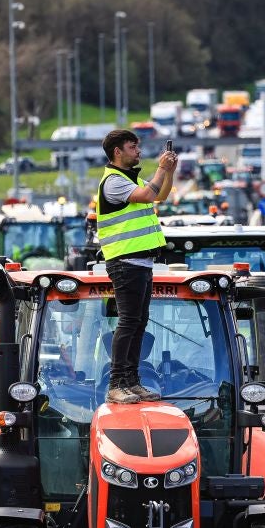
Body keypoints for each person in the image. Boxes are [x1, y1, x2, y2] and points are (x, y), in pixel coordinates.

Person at [96, 129, 176, 403]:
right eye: (133, 147)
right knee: (129, 321)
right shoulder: (113, 182)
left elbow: (159, 195)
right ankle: (117, 383)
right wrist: (160, 169)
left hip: (140, 262)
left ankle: (132, 381)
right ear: (118, 151)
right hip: (124, 261)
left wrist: (169, 171)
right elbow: (147, 195)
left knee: (138, 322)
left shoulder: (130, 178)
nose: (138, 151)